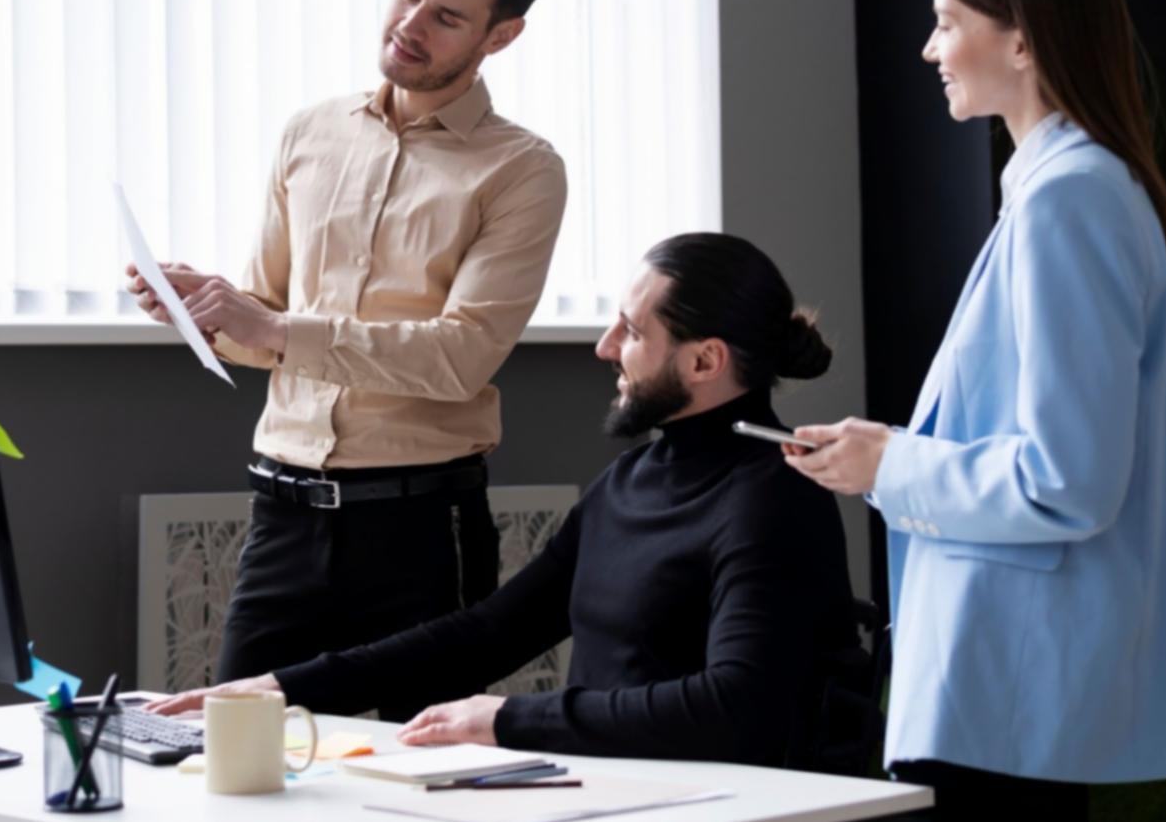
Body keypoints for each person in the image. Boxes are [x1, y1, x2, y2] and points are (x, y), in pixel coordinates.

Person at [784, 0, 1166, 818]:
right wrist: (887, 455)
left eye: (947, 20)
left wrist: (891, 464)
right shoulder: (1063, 190)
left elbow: (1067, 480)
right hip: (1005, 688)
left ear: (1024, 39)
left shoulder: (1069, 199)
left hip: (1009, 687)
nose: (929, 48)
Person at [148, 233, 857, 769]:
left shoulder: (775, 497)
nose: (606, 347)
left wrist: (505, 720)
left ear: (705, 360)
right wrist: (279, 686)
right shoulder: (630, 480)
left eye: (633, 331)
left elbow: (736, 709)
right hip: (610, 788)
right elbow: (491, 630)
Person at [127, 0, 566, 722]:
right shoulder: (310, 133)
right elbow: (267, 327)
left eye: (446, 17)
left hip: (420, 529)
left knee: (419, 768)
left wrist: (272, 327)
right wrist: (206, 312)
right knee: (232, 753)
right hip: (282, 518)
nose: (409, 25)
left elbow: (460, 357)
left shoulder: (522, 170)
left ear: (500, 36)